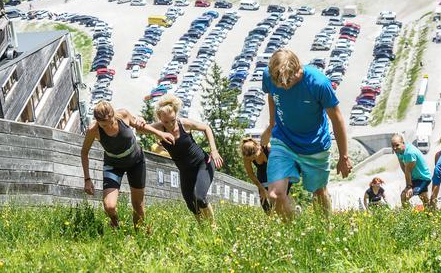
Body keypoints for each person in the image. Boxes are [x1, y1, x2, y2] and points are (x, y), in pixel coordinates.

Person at [261, 49, 352, 220]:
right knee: (275, 195)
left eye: (289, 81)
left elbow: (337, 118)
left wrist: (344, 156)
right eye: (279, 83)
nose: (284, 86)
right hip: (283, 140)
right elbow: (271, 96)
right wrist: (272, 124)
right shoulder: (269, 75)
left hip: (314, 145)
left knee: (319, 192)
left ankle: (325, 231)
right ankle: (296, 230)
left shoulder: (318, 83)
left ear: (298, 69)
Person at [81, 101, 175, 228]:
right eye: (103, 125)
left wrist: (160, 133)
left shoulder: (123, 115)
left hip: (136, 162)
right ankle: (115, 223)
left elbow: (140, 126)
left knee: (138, 205)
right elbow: (84, 152)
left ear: (114, 115)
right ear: (97, 121)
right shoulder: (93, 130)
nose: (107, 127)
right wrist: (87, 179)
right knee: (109, 206)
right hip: (113, 165)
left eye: (110, 123)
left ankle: (140, 234)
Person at [152, 95, 223, 223]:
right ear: (160, 119)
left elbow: (206, 128)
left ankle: (213, 228)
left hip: (202, 163)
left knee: (199, 198)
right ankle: (203, 230)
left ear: (176, 114)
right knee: (191, 204)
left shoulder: (184, 124)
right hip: (185, 170)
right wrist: (139, 121)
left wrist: (214, 150)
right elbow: (139, 129)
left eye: (172, 120)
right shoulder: (158, 128)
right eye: (166, 122)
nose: (170, 125)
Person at [240, 137, 293, 213]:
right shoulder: (247, 156)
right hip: (263, 173)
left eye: (254, 157)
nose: (252, 160)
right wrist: (262, 189)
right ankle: (272, 219)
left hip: (281, 170)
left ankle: (291, 214)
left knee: (279, 200)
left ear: (259, 149)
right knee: (265, 204)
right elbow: (250, 173)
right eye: (251, 159)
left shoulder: (269, 148)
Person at [391, 134, 430, 207]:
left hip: (422, 178)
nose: (395, 148)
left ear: (403, 143)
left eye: (397, 145)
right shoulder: (399, 151)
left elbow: (408, 170)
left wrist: (409, 187)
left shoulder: (409, 153)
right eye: (393, 146)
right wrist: (409, 180)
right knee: (423, 198)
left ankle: (409, 216)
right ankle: (430, 213)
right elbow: (403, 166)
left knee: (405, 196)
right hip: (415, 177)